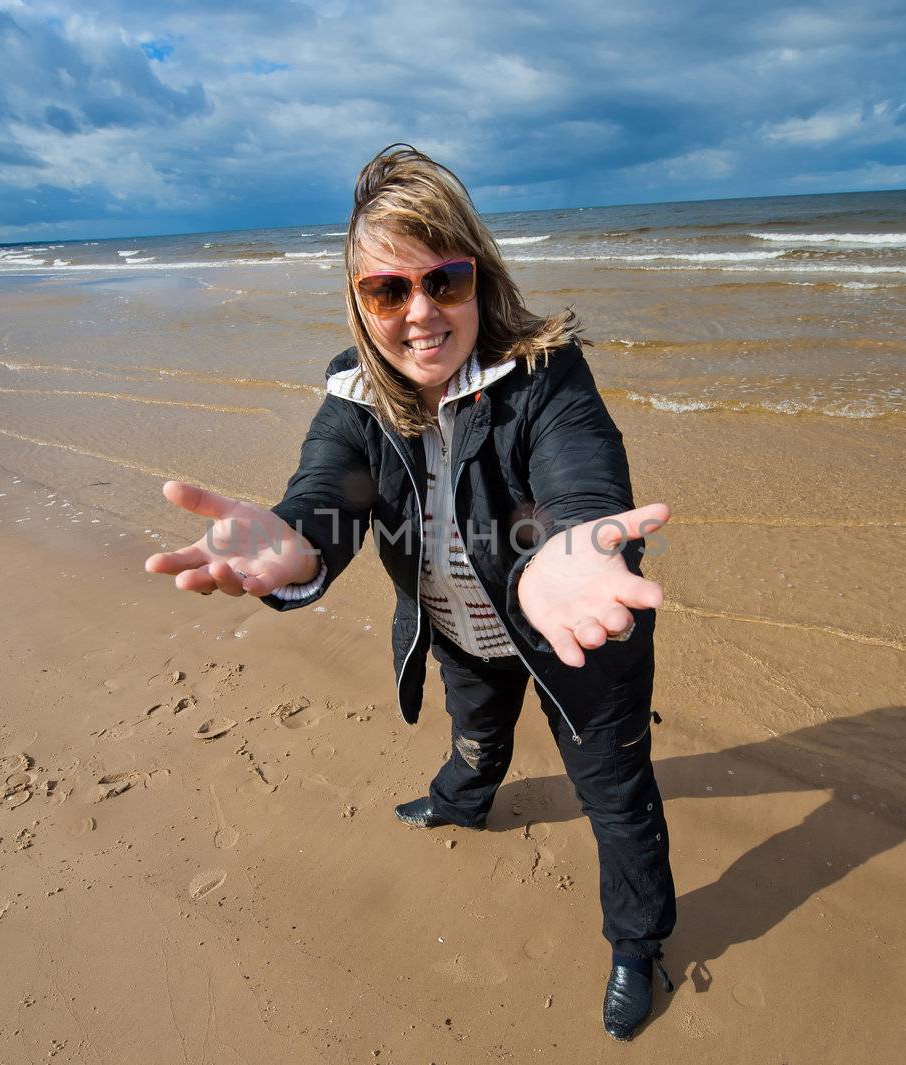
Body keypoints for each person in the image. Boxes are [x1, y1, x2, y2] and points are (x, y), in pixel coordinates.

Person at [144, 144, 676, 1040]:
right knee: (474, 735)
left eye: (446, 280)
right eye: (389, 291)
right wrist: (296, 545)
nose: (421, 313)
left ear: (481, 278)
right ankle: (465, 799)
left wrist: (571, 545)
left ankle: (637, 941)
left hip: (576, 629)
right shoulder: (355, 399)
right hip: (460, 628)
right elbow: (328, 494)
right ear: (358, 304)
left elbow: (580, 473)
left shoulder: (547, 375)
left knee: (616, 796)